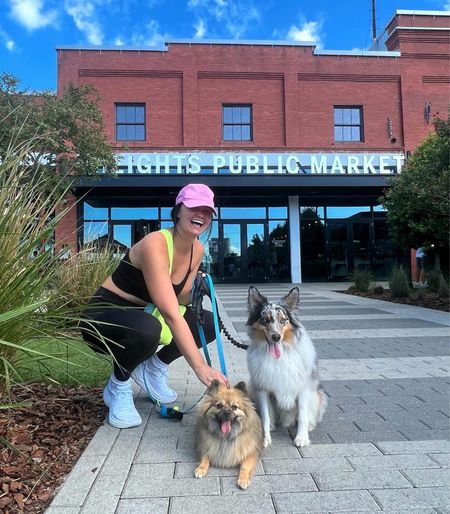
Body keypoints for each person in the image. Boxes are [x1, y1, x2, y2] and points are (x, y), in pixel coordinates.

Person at [79, 184, 229, 429]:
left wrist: (198, 291)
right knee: (149, 328)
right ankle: (118, 386)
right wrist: (200, 367)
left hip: (143, 316)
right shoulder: (155, 243)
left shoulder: (198, 250)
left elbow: (179, 300)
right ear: (178, 210)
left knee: (209, 323)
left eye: (207, 210)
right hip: (103, 317)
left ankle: (154, 367)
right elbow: (170, 313)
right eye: (194, 207)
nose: (201, 214)